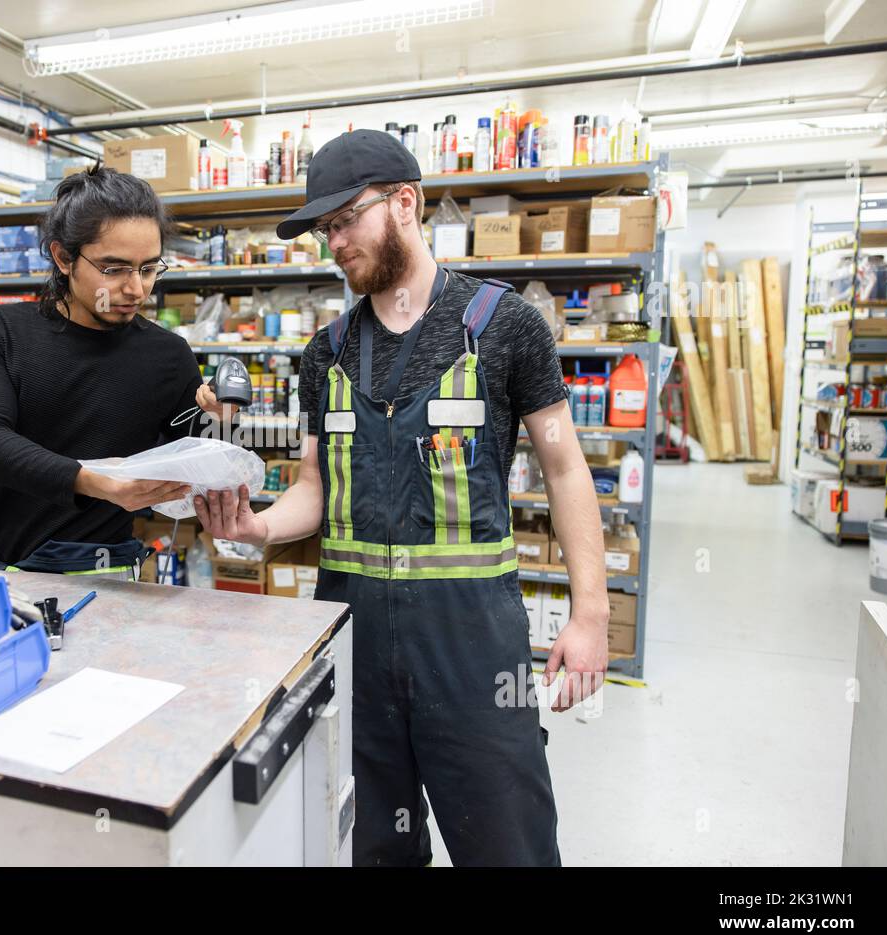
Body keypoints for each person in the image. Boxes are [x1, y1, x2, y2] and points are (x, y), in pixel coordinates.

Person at [193, 129, 609, 866]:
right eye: (326, 229)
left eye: (347, 219)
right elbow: (315, 490)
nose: (335, 241)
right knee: (372, 848)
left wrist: (591, 613)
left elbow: (567, 469)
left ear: (406, 203)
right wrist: (257, 527)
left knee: (509, 844)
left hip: (475, 655)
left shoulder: (505, 325)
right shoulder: (325, 352)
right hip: (352, 642)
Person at [0, 162, 224, 577]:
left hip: (101, 572)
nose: (137, 289)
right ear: (63, 257)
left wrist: (218, 425)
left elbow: (187, 466)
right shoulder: (0, 330)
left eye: (149, 268)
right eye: (114, 270)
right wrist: (96, 481)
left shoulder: (168, 354)